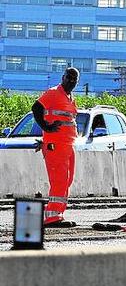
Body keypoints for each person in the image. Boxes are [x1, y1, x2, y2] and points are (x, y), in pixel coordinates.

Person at [32, 67, 80, 227]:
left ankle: (58, 213)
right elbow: (36, 108)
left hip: (67, 145)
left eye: (74, 79)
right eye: (69, 77)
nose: (71, 81)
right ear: (63, 77)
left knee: (66, 180)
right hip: (56, 145)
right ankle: (52, 217)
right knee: (59, 180)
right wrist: (46, 128)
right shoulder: (53, 93)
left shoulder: (70, 98)